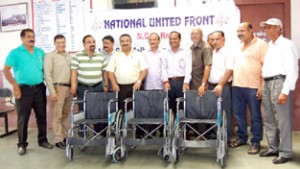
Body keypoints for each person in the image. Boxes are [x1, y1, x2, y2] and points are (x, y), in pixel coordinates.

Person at [2, 28, 54, 155]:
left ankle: (42, 140)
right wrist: (15, 86)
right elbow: (6, 70)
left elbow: (46, 70)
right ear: (22, 38)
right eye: (28, 36)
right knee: (23, 118)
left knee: (41, 116)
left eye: (33, 36)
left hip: (39, 88)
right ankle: (22, 144)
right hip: (22, 89)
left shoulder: (40, 52)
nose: (32, 39)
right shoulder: (14, 53)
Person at [259, 18, 298, 164]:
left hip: (279, 82)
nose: (266, 30)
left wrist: (285, 91)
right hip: (267, 82)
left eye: (269, 27)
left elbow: (293, 70)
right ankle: (273, 148)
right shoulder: (270, 45)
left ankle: (286, 152)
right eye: (266, 27)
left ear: (278, 28)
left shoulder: (287, 45)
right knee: (269, 118)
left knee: (282, 120)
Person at [229, 22, 268, 155]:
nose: (239, 33)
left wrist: (261, 86)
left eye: (242, 31)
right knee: (239, 115)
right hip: (237, 86)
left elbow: (266, 66)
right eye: (238, 31)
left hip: (253, 87)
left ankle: (256, 142)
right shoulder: (238, 46)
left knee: (255, 116)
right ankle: (242, 138)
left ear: (251, 30)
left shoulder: (261, 45)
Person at [70, 34, 108, 134]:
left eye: (93, 42)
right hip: (83, 88)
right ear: (84, 44)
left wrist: (106, 85)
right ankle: (83, 132)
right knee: (83, 110)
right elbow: (74, 72)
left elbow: (104, 72)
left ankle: (99, 132)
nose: (92, 44)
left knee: (99, 110)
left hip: (98, 87)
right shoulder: (77, 56)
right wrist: (73, 87)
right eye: (89, 42)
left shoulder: (100, 56)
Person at [44, 34, 72, 149]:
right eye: (59, 42)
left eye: (63, 42)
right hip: (57, 88)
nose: (61, 44)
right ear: (55, 43)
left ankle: (65, 136)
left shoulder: (68, 56)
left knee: (66, 114)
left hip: (69, 88)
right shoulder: (50, 56)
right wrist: (52, 91)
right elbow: (48, 74)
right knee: (57, 115)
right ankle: (58, 139)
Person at [105, 33, 148, 110]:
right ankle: (124, 122)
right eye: (122, 41)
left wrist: (139, 81)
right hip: (121, 88)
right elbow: (110, 71)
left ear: (131, 42)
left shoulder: (138, 54)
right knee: (123, 110)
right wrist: (114, 84)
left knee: (137, 109)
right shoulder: (115, 55)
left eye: (127, 41)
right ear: (120, 43)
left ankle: (136, 123)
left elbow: (144, 70)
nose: (125, 43)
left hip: (136, 86)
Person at [208, 31, 234, 141]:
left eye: (217, 39)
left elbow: (229, 70)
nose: (214, 42)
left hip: (223, 86)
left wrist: (220, 85)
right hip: (211, 86)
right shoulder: (212, 52)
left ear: (223, 39)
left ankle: (225, 137)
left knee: (224, 112)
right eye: (212, 39)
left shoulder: (228, 52)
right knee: (213, 111)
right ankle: (215, 135)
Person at [162, 31, 190, 112]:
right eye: (170, 39)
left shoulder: (186, 51)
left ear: (179, 39)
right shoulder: (165, 52)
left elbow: (188, 68)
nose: (172, 41)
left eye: (175, 38)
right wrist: (165, 81)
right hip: (169, 83)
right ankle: (171, 124)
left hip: (182, 82)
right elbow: (163, 68)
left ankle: (181, 124)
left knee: (182, 106)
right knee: (170, 107)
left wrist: (186, 81)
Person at [183, 28, 212, 96]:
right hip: (192, 83)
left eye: (197, 34)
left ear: (201, 35)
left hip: (201, 85)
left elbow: (207, 66)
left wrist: (203, 84)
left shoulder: (206, 48)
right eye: (192, 34)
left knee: (203, 105)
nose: (194, 36)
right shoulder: (191, 48)